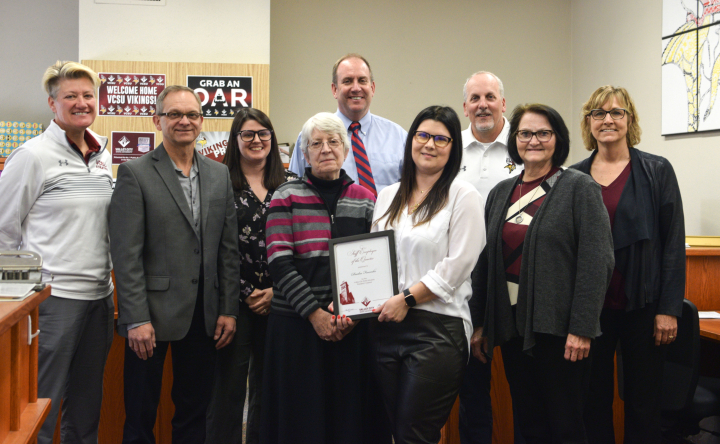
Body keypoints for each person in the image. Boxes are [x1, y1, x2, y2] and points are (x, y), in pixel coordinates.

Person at [470, 104, 614, 443]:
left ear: (557, 139)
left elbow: (597, 263)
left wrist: (582, 328)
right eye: (524, 133)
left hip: (561, 333)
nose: (533, 140)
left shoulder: (581, 188)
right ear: (515, 139)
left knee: (565, 426)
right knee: (528, 422)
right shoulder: (500, 192)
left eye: (543, 133)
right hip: (512, 328)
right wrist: (482, 322)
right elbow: (485, 261)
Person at [109, 85, 240, 444]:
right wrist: (135, 318)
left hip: (204, 315)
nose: (184, 121)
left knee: (194, 413)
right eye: (174, 115)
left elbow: (228, 251)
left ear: (202, 121)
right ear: (157, 120)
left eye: (192, 115)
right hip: (149, 316)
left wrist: (229, 309)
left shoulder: (219, 175)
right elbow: (126, 254)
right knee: (139, 415)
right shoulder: (134, 173)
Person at [0, 60, 114, 444]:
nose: (81, 103)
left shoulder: (101, 156)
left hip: (100, 297)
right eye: (70, 96)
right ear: (52, 104)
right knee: (42, 404)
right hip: (54, 300)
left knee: (86, 404)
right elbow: (3, 234)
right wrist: (22, 301)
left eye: (87, 95)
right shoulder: (32, 156)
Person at [262, 112, 387, 444]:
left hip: (351, 329)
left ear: (345, 150)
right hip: (295, 329)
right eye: (315, 143)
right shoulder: (284, 197)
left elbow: (372, 267)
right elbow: (279, 263)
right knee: (299, 421)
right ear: (305, 154)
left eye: (334, 142)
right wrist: (316, 314)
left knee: (349, 419)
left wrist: (351, 315)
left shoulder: (365, 199)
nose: (326, 149)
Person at [571, 86, 686, 444]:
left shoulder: (656, 170)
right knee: (593, 402)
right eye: (598, 113)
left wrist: (668, 309)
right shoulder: (573, 177)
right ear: (588, 123)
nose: (607, 119)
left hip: (644, 308)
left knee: (643, 404)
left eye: (616, 112)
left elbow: (672, 244)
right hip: (591, 311)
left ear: (629, 120)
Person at [370, 105, 484, 444]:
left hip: (437, 329)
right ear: (410, 141)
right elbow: (375, 259)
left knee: (414, 433)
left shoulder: (464, 196)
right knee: (394, 429)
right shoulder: (388, 195)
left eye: (440, 138)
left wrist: (407, 298)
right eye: (422, 135)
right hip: (385, 327)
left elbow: (458, 264)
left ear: (453, 148)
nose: (429, 144)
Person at [206, 108, 296, 444]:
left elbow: (300, 245)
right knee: (227, 390)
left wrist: (276, 291)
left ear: (272, 139)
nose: (256, 140)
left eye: (263, 133)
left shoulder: (291, 186)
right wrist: (246, 293)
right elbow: (212, 247)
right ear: (235, 139)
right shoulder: (218, 184)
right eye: (248, 134)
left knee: (270, 389)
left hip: (282, 301)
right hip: (232, 303)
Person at [455, 70, 523, 444]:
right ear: (465, 107)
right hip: (465, 283)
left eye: (490, 97)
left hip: (515, 281)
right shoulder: (450, 147)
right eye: (475, 98)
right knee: (472, 389)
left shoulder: (525, 144)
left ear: (503, 103)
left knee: (526, 390)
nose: (483, 104)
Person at [288, 53, 407, 195]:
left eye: (362, 80)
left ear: (372, 88)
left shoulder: (398, 136)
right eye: (347, 81)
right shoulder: (311, 137)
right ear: (334, 89)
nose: (356, 88)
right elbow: (293, 190)